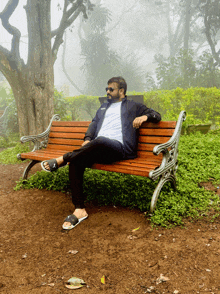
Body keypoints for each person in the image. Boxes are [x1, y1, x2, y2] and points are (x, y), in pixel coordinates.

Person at [41, 77, 161, 230]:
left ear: (122, 91)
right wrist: (88, 139)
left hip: (120, 149)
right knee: (77, 161)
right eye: (107, 89)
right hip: (98, 147)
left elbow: (156, 115)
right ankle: (79, 210)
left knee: (100, 141)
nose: (107, 91)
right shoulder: (103, 108)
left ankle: (63, 159)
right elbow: (94, 123)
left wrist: (144, 117)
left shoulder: (133, 106)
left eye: (111, 89)